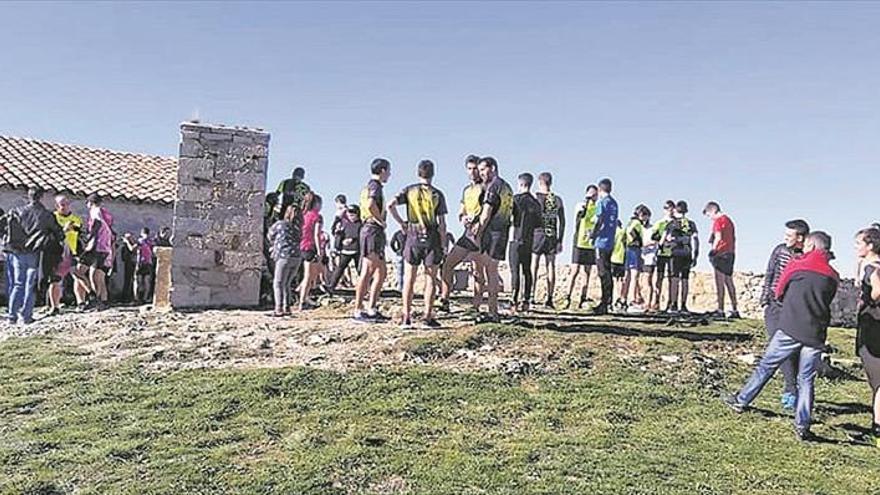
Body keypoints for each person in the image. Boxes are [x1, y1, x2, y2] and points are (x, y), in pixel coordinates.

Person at [725, 231, 839, 442]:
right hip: (815, 334)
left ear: (812, 246)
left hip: (790, 328)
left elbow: (778, 291)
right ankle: (802, 425)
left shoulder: (797, 265)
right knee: (806, 380)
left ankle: (741, 400)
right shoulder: (833, 275)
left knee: (766, 366)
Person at [388, 159, 448, 328]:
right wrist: (443, 244)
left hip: (413, 238)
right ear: (433, 173)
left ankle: (406, 316)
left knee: (409, 279)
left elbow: (390, 205)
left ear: (418, 172)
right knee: (430, 279)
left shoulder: (409, 190)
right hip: (431, 238)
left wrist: (401, 222)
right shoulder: (437, 194)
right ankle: (428, 316)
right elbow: (442, 223)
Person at [759, 219, 810, 411]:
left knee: (792, 349)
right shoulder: (779, 250)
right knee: (777, 344)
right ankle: (790, 389)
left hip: (793, 307)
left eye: (789, 236)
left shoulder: (806, 256)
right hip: (774, 305)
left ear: (800, 238)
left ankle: (793, 388)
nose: (785, 238)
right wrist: (765, 297)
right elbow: (770, 273)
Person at [4, 188, 62, 324]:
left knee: (18, 284)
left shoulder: (17, 211)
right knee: (30, 284)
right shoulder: (46, 215)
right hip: (35, 252)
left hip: (17, 251)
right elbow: (59, 233)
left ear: (28, 197)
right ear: (41, 197)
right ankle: (26, 316)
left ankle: (12, 316)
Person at [439, 155, 485, 313]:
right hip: (467, 233)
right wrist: (463, 217)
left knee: (478, 270)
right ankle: (444, 299)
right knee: (447, 265)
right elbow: (461, 211)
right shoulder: (467, 190)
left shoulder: (485, 188)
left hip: (481, 233)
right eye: (470, 169)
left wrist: (478, 221)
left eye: (475, 169)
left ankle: (476, 306)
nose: (473, 172)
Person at [473, 156, 513, 323]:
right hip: (502, 232)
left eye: (483, 169)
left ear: (493, 168)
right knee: (492, 271)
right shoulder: (507, 187)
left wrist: (478, 230)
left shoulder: (494, 186)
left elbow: (486, 212)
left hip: (493, 233)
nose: (481, 173)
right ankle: (493, 311)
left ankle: (493, 312)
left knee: (490, 271)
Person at [353, 158, 392, 323]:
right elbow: (370, 205)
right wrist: (380, 221)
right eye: (388, 170)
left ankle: (372, 307)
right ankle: (358, 309)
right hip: (372, 230)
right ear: (382, 170)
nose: (390, 174)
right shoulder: (374, 186)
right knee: (368, 270)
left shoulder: (369, 186)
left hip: (372, 230)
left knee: (381, 272)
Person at [855, 227, 880, 447]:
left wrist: (871, 300)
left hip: (874, 329)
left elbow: (878, 289)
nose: (856, 247)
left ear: (870, 245)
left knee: (879, 383)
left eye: (859, 243)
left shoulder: (872, 267)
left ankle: (878, 428)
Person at [46, 194, 86, 316]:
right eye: (62, 205)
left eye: (67, 204)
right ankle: (55, 307)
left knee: (78, 277)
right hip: (57, 253)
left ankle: (81, 303)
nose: (65, 207)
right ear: (57, 206)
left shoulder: (76, 219)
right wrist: (64, 229)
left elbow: (81, 236)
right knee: (55, 280)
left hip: (73, 253)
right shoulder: (52, 218)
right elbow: (49, 235)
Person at [531, 172, 565, 309]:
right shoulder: (557, 199)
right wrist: (560, 239)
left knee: (534, 265)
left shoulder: (535, 198)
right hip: (551, 234)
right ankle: (549, 298)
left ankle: (531, 296)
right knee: (550, 266)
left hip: (537, 234)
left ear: (540, 182)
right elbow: (562, 221)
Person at [510, 173, 542, 313]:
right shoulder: (535, 203)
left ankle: (514, 301)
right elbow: (538, 224)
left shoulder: (515, 200)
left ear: (520, 183)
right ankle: (526, 301)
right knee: (527, 271)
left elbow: (509, 218)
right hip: (528, 240)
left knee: (515, 271)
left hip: (515, 238)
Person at [564, 185, 599, 310]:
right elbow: (579, 216)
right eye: (590, 194)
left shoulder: (598, 208)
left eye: (595, 195)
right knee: (575, 270)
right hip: (578, 241)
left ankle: (583, 298)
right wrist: (586, 201)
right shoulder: (580, 205)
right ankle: (567, 296)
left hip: (590, 243)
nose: (592, 197)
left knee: (587, 272)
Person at [704, 201, 739, 318]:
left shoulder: (718, 221)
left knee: (719, 282)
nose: (710, 218)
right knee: (729, 281)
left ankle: (720, 309)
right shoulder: (729, 220)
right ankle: (735, 309)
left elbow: (718, 237)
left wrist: (713, 250)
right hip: (730, 252)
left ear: (713, 211)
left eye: (709, 215)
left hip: (720, 253)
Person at [79, 194, 114, 311]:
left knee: (79, 271)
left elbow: (96, 224)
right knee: (98, 276)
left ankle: (93, 298)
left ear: (90, 203)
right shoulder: (105, 212)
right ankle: (102, 301)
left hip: (96, 246)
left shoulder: (95, 211)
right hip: (105, 247)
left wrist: (89, 238)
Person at [663, 200, 698, 314]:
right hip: (687, 252)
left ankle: (673, 305)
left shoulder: (671, 224)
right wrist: (696, 254)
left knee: (674, 279)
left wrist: (665, 245)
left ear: (675, 210)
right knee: (685, 279)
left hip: (675, 252)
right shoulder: (691, 224)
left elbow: (664, 239)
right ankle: (683, 305)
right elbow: (696, 239)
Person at [267, 205, 302, 316]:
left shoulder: (280, 224)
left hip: (284, 256)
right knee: (287, 283)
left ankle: (279, 309)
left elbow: (270, 235)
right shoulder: (298, 227)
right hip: (297, 257)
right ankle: (287, 307)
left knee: (278, 283)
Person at [590, 178, 619, 315]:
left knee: (603, 272)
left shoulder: (602, 203)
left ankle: (604, 303)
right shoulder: (614, 203)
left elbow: (599, 219)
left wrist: (593, 234)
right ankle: (608, 301)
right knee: (607, 271)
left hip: (601, 241)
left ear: (599, 189)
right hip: (610, 241)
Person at [620, 205, 650, 312]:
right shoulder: (637, 223)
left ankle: (622, 299)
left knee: (627, 276)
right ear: (642, 215)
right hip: (634, 249)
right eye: (646, 217)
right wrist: (638, 242)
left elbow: (623, 236)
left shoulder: (630, 222)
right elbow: (631, 233)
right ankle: (632, 301)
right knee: (634, 275)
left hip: (628, 249)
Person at [326, 205, 362, 292]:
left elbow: (362, 236)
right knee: (340, 269)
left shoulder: (361, 224)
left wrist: (353, 239)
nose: (351, 216)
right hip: (345, 250)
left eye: (353, 214)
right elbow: (335, 232)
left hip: (357, 251)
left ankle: (367, 287)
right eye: (349, 214)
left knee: (360, 270)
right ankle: (331, 287)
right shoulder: (344, 223)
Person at [299, 195, 324, 311]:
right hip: (310, 246)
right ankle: (302, 301)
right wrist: (320, 250)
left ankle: (304, 296)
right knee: (309, 277)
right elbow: (317, 234)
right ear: (317, 204)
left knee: (311, 275)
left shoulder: (303, 215)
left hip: (301, 246)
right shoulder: (317, 217)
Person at [650, 200, 676, 312]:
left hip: (673, 253)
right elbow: (653, 235)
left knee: (671, 278)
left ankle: (671, 303)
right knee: (659, 277)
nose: (668, 210)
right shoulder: (660, 223)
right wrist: (662, 240)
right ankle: (656, 302)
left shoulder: (676, 222)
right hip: (661, 253)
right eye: (666, 208)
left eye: (670, 208)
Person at [640, 214, 659, 313]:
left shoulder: (652, 229)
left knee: (648, 281)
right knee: (641, 281)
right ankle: (642, 301)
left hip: (649, 257)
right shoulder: (639, 228)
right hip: (641, 255)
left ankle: (650, 302)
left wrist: (646, 244)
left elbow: (655, 241)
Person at [134, 228, 155, 304]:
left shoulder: (140, 241)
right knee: (146, 282)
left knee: (138, 282)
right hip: (148, 263)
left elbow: (136, 250)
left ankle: (137, 298)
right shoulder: (151, 242)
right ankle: (145, 298)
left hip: (141, 263)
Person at [120, 232, 138, 303]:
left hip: (134, 264)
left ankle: (132, 297)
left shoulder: (135, 245)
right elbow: (123, 257)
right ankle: (125, 297)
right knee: (127, 281)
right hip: (128, 265)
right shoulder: (124, 247)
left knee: (133, 281)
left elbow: (132, 249)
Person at [390, 228, 407, 293]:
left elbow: (392, 243)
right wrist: (396, 251)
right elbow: (392, 243)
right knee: (401, 273)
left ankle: (401, 288)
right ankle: (401, 288)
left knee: (400, 273)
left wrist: (396, 250)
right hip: (404, 254)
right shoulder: (408, 234)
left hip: (401, 254)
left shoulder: (398, 233)